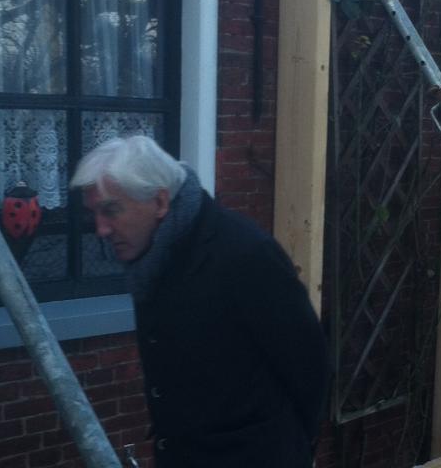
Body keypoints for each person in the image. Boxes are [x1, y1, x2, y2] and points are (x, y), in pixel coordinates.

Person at [71, 136, 329, 468]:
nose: (101, 229)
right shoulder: (153, 257)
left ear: (160, 201)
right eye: (93, 213)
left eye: (111, 210)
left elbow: (308, 363)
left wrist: (292, 449)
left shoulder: (243, 254)